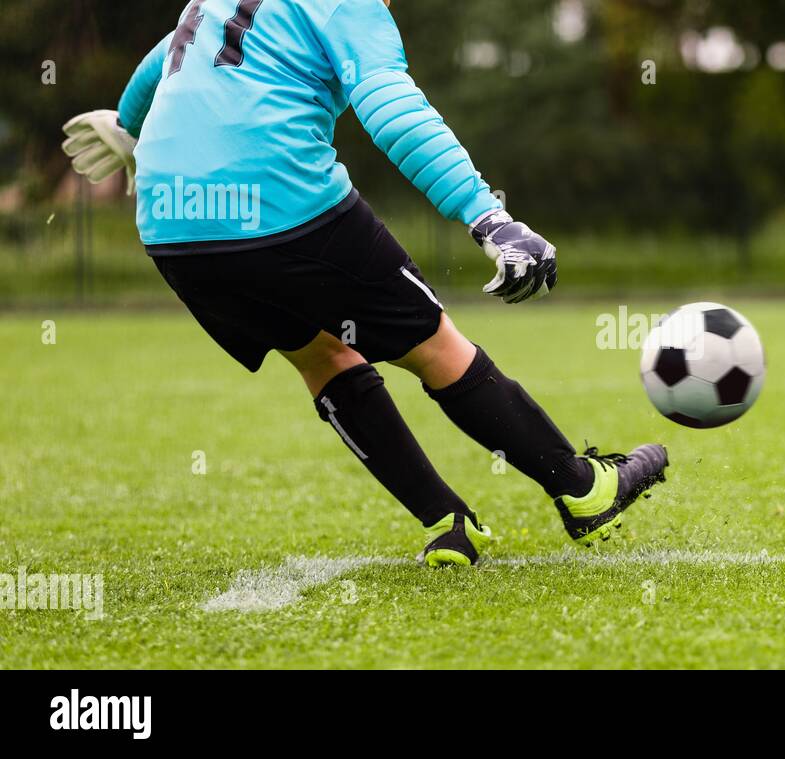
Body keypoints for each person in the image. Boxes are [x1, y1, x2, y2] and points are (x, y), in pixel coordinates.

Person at [59, 0, 668, 567]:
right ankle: (583, 490)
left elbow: (163, 60)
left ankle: (447, 522)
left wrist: (126, 123)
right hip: (279, 201)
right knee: (434, 346)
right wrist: (490, 219)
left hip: (174, 227)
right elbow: (390, 106)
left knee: (320, 355)